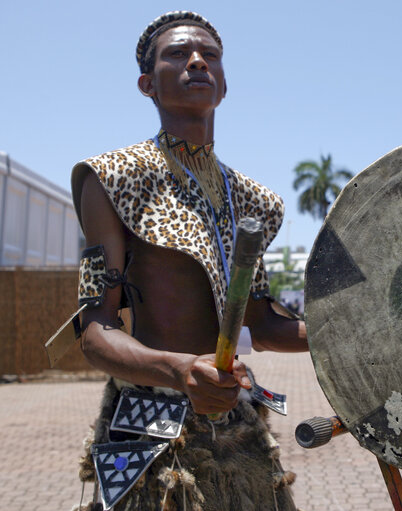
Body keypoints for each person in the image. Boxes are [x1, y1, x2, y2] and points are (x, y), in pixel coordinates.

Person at [70, 11, 308, 510]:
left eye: (210, 56)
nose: (197, 60)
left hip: (236, 417)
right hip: (151, 423)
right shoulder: (113, 178)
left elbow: (260, 324)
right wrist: (180, 371)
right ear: (146, 84)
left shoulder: (254, 199)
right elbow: (95, 333)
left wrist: (347, 335)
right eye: (177, 54)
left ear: (223, 85)